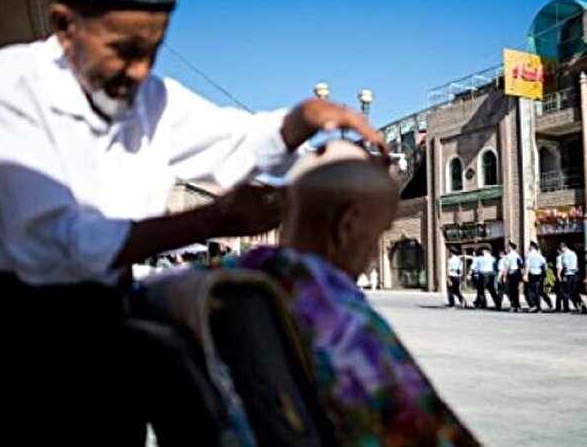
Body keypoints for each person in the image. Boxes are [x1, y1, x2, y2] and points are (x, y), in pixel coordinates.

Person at [0, 0, 387, 445]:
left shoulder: (151, 97)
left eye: (152, 49)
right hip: (9, 338)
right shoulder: (6, 83)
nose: (139, 70)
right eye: (124, 49)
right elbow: (49, 243)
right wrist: (213, 220)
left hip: (107, 332)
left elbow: (241, 138)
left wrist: (305, 118)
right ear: (65, 26)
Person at [199, 140, 479, 444]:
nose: (373, 252)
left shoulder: (214, 280)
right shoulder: (341, 322)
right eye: (378, 234)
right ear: (346, 226)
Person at [556, 243, 586, 313]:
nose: (561, 250)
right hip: (575, 275)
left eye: (561, 249)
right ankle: (582, 306)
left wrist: (558, 275)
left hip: (567, 275)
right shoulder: (573, 253)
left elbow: (562, 266)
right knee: (575, 292)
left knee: (564, 292)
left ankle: (566, 308)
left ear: (564, 248)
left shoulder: (563, 255)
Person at [523, 240, 551, 312]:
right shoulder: (539, 255)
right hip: (539, 275)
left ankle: (533, 305)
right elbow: (545, 264)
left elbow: (527, 265)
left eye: (529, 246)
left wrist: (525, 274)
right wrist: (544, 273)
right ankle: (538, 307)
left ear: (532, 247)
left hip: (532, 274)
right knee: (537, 291)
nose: (528, 247)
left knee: (529, 291)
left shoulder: (529, 255)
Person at [504, 242, 524, 312]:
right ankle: (518, 306)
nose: (507, 248)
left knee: (511, 290)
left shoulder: (508, 256)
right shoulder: (518, 255)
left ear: (511, 247)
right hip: (517, 273)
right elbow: (521, 266)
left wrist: (504, 276)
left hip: (511, 274)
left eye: (508, 247)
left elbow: (507, 267)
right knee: (516, 290)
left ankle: (513, 305)